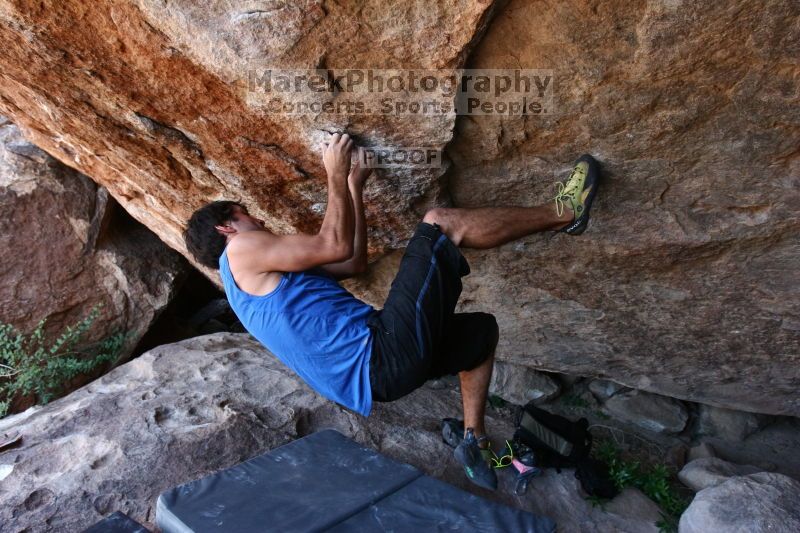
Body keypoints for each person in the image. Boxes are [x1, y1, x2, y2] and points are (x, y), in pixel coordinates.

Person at [183, 133, 600, 490]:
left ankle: (475, 438)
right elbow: (332, 245)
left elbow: (351, 264)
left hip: (382, 381)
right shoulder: (239, 250)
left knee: (480, 334)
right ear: (227, 227)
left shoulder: (253, 287)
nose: (257, 220)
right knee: (439, 223)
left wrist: (354, 187)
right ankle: (565, 212)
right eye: (246, 215)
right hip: (381, 352)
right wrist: (333, 172)